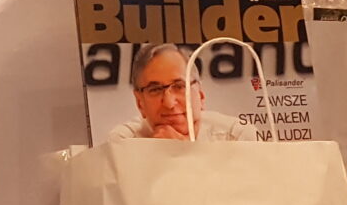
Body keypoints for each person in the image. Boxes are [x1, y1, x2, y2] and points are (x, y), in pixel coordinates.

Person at [104, 43, 258, 142]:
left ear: (200, 95)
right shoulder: (123, 142)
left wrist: (183, 155)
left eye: (179, 86)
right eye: (155, 90)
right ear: (140, 103)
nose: (169, 103)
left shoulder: (237, 137)